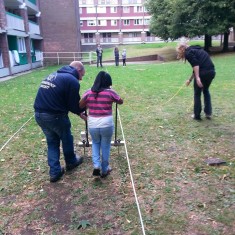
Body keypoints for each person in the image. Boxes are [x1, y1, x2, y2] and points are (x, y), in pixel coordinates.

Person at [34, 61, 86, 182]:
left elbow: (65, 101)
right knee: (66, 138)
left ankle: (55, 172)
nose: (81, 79)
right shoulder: (72, 81)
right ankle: (71, 161)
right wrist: (82, 109)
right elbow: (73, 105)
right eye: (82, 75)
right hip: (55, 116)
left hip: (39, 114)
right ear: (78, 70)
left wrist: (78, 112)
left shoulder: (54, 74)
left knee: (52, 142)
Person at [79, 71, 123, 178]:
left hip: (93, 123)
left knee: (95, 143)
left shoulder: (88, 92)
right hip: (106, 123)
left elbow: (80, 105)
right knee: (106, 145)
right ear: (108, 82)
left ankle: (96, 165)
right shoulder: (110, 92)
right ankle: (104, 169)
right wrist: (113, 93)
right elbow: (120, 101)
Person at [176, 41, 216, 120]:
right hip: (211, 72)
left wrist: (197, 78)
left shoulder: (188, 52)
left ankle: (197, 115)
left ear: (182, 48)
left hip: (203, 73)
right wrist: (190, 80)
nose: (179, 52)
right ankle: (208, 113)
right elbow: (197, 67)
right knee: (206, 90)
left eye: (179, 50)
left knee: (197, 93)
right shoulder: (197, 50)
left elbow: (196, 65)